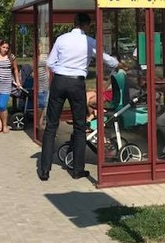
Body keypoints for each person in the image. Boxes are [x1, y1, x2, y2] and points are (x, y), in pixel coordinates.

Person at [38, 13, 118, 181]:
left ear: (74, 23)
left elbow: (50, 63)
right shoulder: (89, 41)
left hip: (59, 81)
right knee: (80, 126)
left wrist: (62, 71)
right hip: (76, 83)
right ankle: (77, 169)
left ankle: (44, 170)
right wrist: (117, 63)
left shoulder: (61, 39)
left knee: (51, 125)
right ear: (86, 25)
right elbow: (106, 59)